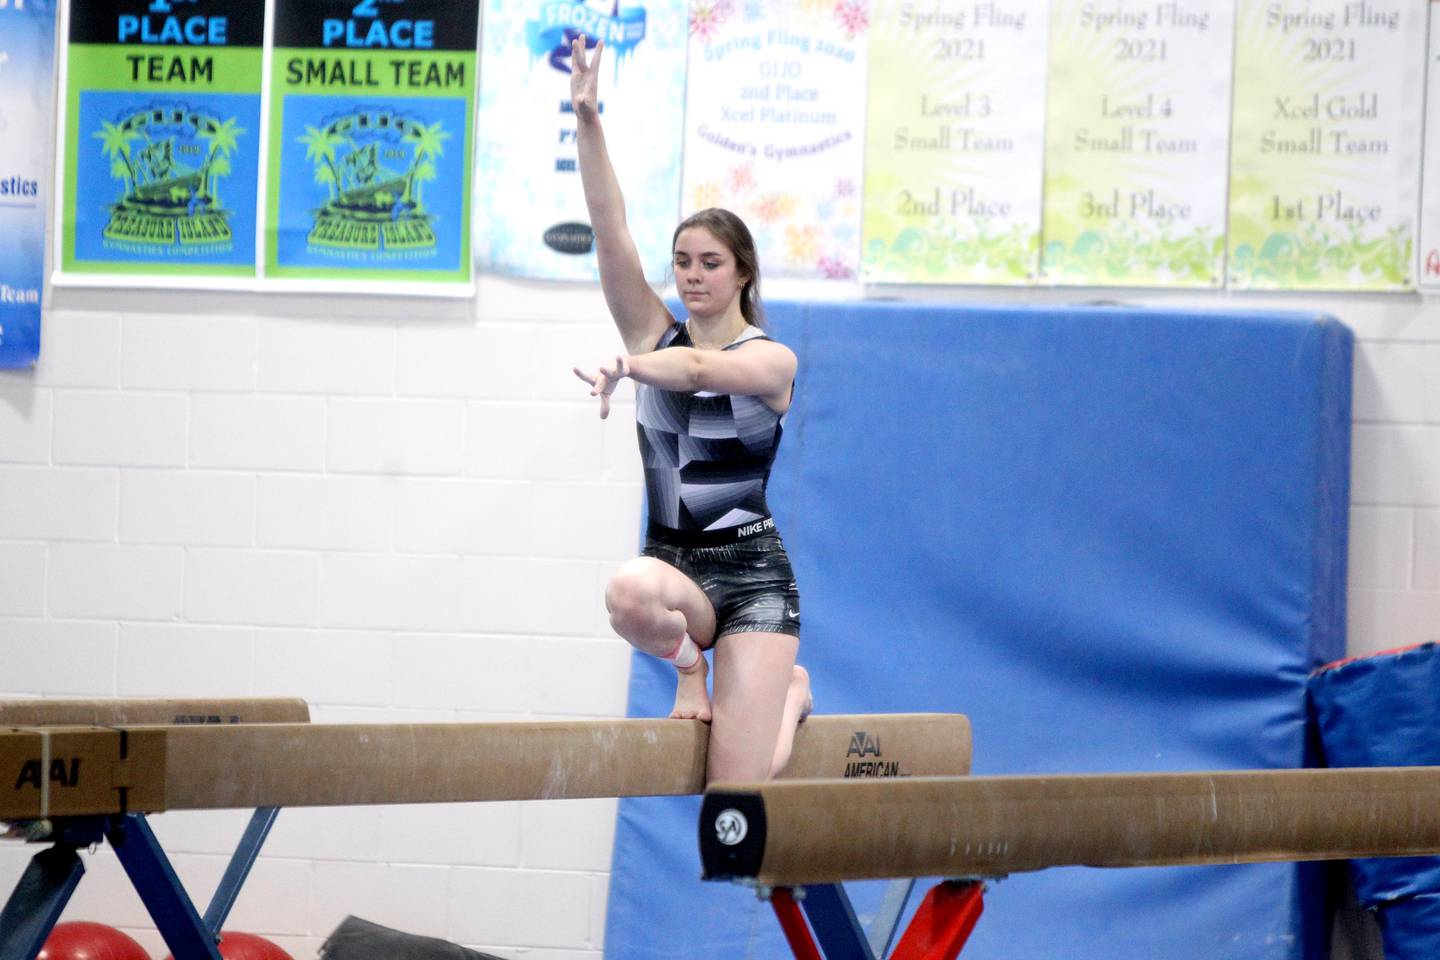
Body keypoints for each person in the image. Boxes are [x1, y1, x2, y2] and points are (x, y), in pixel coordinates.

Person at [568, 34, 811, 784]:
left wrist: (631, 364)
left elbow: (704, 366)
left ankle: (789, 697)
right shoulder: (653, 329)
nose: (693, 275)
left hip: (753, 579)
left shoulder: (771, 362)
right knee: (627, 590)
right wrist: (587, 122)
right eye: (683, 262)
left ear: (742, 273)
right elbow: (611, 234)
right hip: (677, 566)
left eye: (710, 263)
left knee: (732, 805)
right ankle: (688, 671)